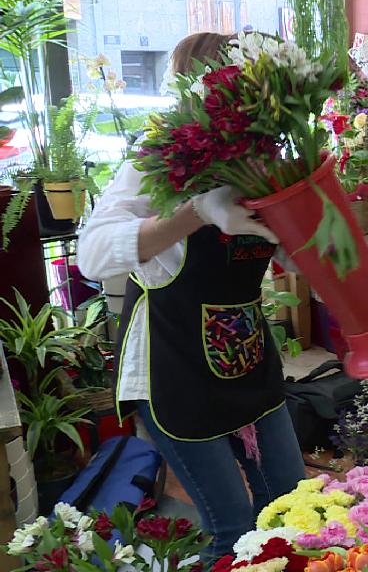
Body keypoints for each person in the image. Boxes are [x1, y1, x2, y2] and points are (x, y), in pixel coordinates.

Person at [79, 32, 305, 562]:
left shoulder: (261, 161)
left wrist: (303, 235)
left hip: (248, 361)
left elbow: (287, 257)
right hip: (174, 368)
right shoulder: (159, 160)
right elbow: (92, 254)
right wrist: (194, 213)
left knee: (292, 508)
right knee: (233, 529)